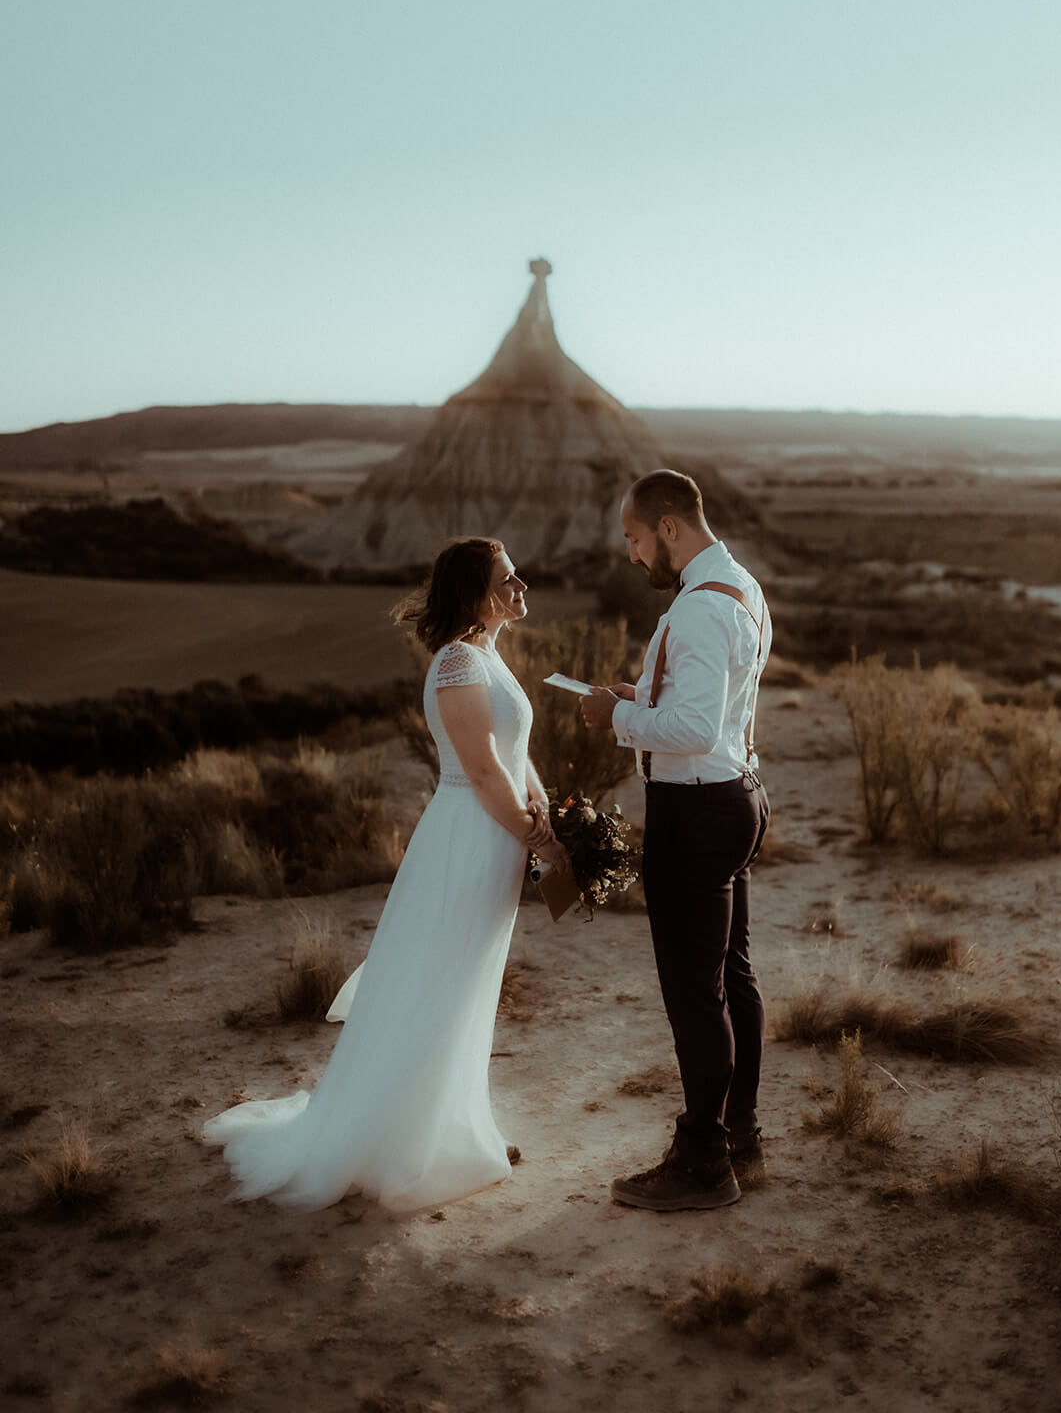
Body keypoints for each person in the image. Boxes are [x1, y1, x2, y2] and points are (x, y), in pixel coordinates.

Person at [203, 537, 565, 1213]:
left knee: (468, 981)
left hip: (496, 832)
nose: (522, 587)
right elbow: (482, 770)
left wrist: (543, 800)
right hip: (468, 837)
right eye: (508, 578)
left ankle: (453, 1123)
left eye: (519, 575)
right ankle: (411, 1144)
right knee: (442, 980)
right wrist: (535, 836)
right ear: (474, 594)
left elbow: (513, 752)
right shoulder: (457, 662)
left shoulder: (485, 653)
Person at [580, 470, 771, 1212]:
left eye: (633, 539)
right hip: (738, 796)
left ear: (666, 527)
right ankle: (739, 1134)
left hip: (695, 812)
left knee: (695, 994)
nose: (632, 556)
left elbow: (692, 730)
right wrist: (641, 696)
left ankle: (700, 1162)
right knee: (732, 978)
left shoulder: (694, 610)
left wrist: (615, 718)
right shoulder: (742, 586)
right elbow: (712, 710)